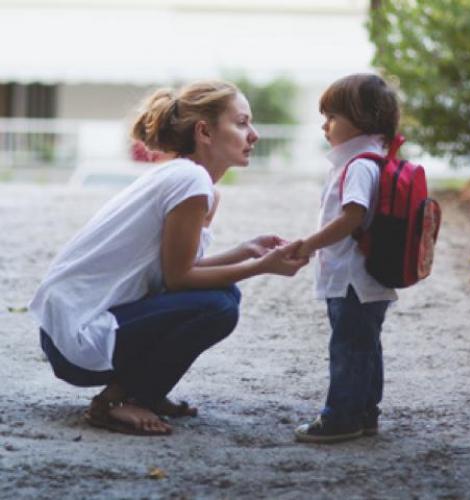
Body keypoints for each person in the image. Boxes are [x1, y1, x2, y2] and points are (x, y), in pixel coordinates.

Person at [29, 80, 308, 436]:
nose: (253, 134)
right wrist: (261, 267)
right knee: (220, 305)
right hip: (77, 339)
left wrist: (245, 251)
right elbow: (179, 280)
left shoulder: (189, 180)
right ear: (204, 131)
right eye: (241, 123)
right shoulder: (190, 181)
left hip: (71, 330)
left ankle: (143, 391)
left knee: (223, 296)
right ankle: (120, 401)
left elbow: (171, 273)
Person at [293, 74, 400, 444]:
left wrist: (308, 244)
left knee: (348, 347)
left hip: (353, 276)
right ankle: (365, 412)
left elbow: (351, 218)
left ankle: (340, 417)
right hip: (368, 276)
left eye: (333, 117)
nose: (325, 125)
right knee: (365, 344)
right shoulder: (374, 159)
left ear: (363, 119)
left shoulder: (358, 166)